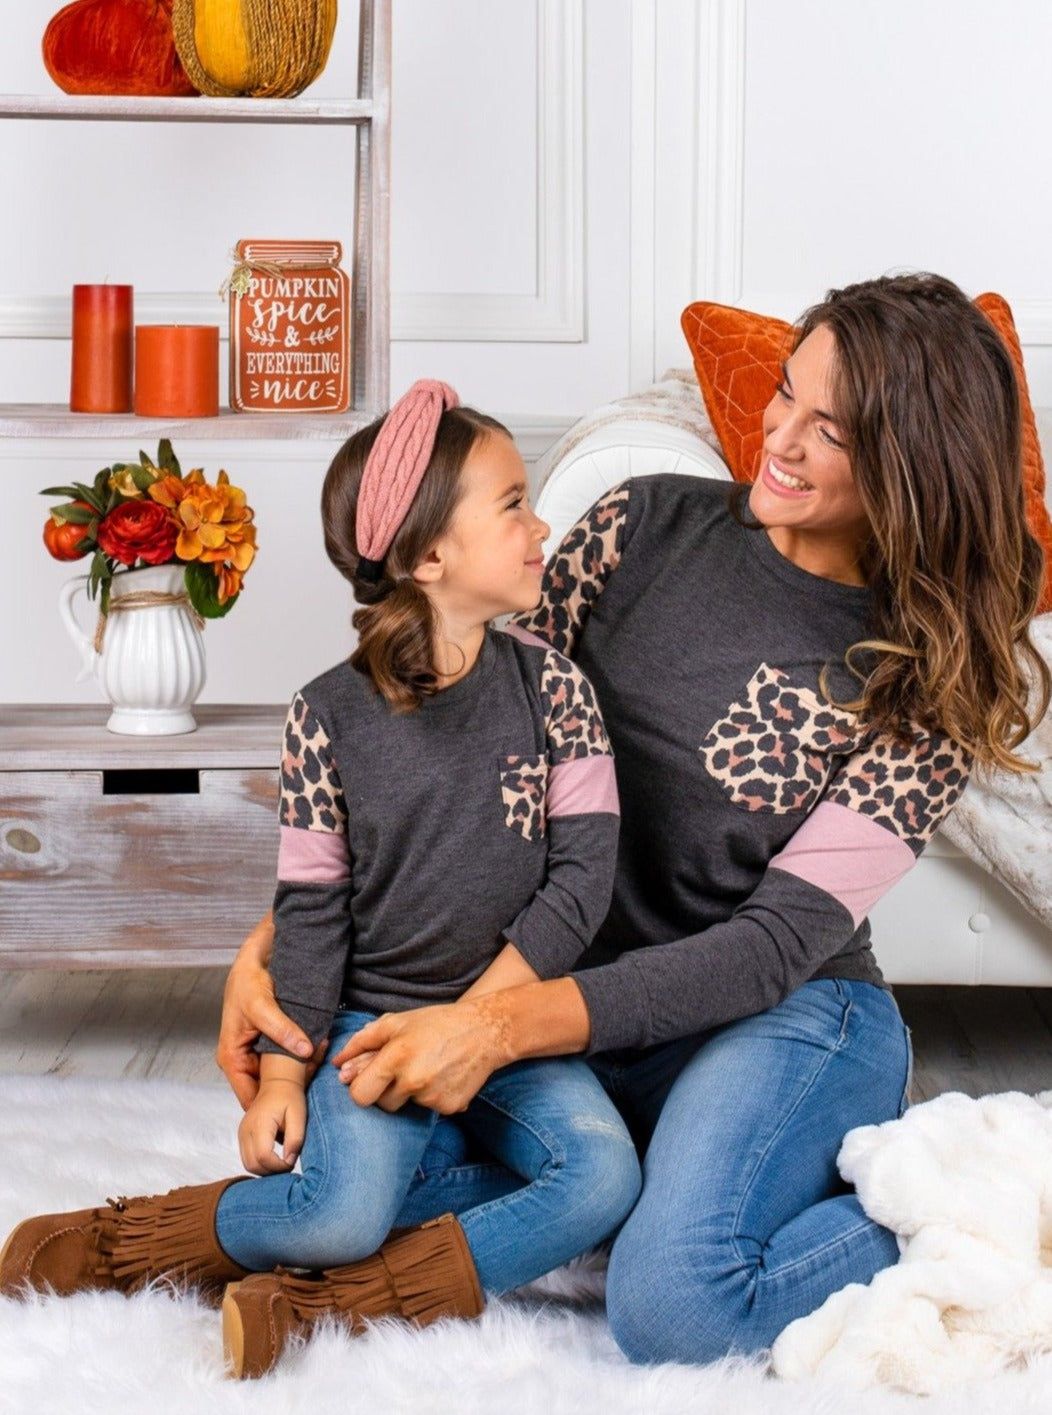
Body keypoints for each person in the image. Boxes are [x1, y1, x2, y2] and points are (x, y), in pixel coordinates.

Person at [216, 275, 1051, 1367]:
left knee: (676, 1303)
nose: (778, 438)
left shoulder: (931, 677)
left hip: (781, 1013)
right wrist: (273, 952)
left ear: (913, 460)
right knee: (368, 1164)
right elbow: (446, 742)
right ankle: (203, 1236)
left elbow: (766, 948)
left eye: (831, 429)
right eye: (785, 393)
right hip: (579, 1000)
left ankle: (971, 1205)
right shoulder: (641, 522)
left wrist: (490, 1027)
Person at [0, 381, 641, 1379]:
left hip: (511, 1021)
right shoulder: (325, 715)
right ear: (430, 557)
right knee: (338, 1210)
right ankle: (138, 1239)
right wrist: (286, 1076)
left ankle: (329, 1301)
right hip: (369, 1028)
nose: (539, 526)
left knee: (603, 1176)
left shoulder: (555, 689)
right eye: (514, 503)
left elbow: (581, 880)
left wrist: (472, 1027)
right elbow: (312, 912)